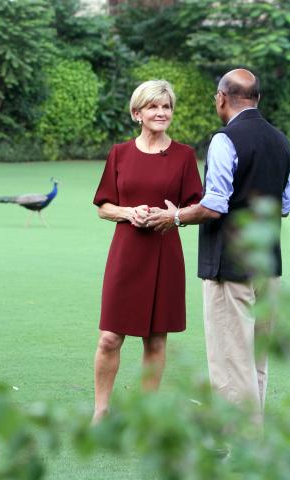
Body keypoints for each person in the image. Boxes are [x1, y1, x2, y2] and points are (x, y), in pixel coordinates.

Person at [148, 69, 290, 423]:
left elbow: (214, 205)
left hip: (229, 267)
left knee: (231, 359)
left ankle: (241, 446)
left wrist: (176, 217)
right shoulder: (281, 141)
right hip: (267, 265)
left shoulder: (225, 140)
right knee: (254, 362)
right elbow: (285, 205)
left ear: (221, 98)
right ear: (257, 98)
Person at [92, 80, 202, 423]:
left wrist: (174, 216)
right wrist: (128, 212)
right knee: (110, 337)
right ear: (137, 113)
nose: (161, 113)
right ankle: (101, 411)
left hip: (165, 253)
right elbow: (103, 206)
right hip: (126, 254)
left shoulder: (184, 156)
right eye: (153, 107)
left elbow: (197, 207)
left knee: (156, 340)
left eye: (166, 107)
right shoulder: (119, 154)